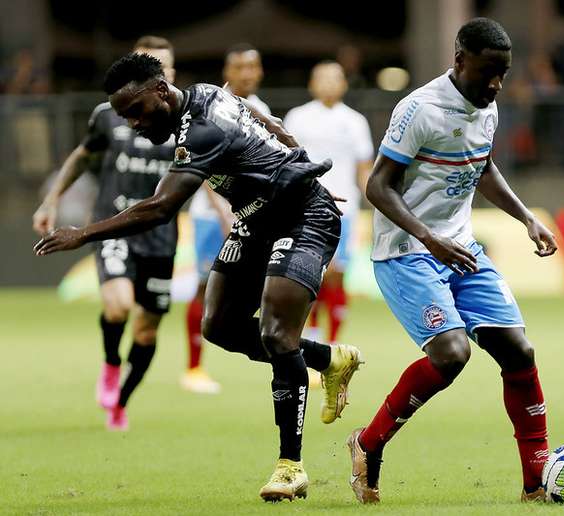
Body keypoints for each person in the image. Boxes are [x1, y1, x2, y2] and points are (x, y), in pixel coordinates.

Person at [34, 52, 363, 501]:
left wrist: (84, 233)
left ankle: (291, 467)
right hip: (255, 219)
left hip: (304, 218)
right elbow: (254, 112)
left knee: (276, 334)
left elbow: (160, 207)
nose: (133, 123)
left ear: (160, 91)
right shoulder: (207, 93)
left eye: (136, 111)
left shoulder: (201, 130)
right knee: (220, 326)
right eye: (124, 116)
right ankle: (328, 359)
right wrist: (294, 149)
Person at [345, 18, 558, 504]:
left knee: (519, 352)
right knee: (452, 354)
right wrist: (428, 237)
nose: (496, 84)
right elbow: (377, 185)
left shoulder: (488, 107)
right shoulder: (419, 108)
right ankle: (368, 442)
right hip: (405, 252)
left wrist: (526, 217)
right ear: (460, 61)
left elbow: (480, 166)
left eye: (502, 73)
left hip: (459, 249)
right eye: (488, 72)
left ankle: (536, 481)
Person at [32, 36, 179, 431]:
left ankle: (121, 403)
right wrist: (51, 201)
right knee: (118, 306)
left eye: (167, 67)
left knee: (147, 330)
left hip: (160, 235)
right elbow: (83, 155)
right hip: (113, 225)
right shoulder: (109, 113)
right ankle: (112, 362)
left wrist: (224, 211)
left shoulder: (184, 121)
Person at [182, 43, 272, 394]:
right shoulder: (211, 105)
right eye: (240, 67)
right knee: (204, 287)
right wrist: (222, 209)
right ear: (227, 72)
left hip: (252, 215)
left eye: (253, 66)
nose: (247, 73)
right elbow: (201, 164)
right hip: (211, 216)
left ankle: (280, 356)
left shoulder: (261, 109)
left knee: (271, 286)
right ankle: (193, 367)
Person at [284, 61, 373, 349]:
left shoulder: (355, 121)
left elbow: (364, 170)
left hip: (344, 210)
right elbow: (287, 163)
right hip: (304, 209)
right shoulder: (297, 118)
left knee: (337, 274)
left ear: (344, 84)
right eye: (322, 78)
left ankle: (334, 343)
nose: (329, 83)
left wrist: (374, 209)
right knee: (308, 274)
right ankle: (312, 336)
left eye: (335, 78)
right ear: (312, 83)